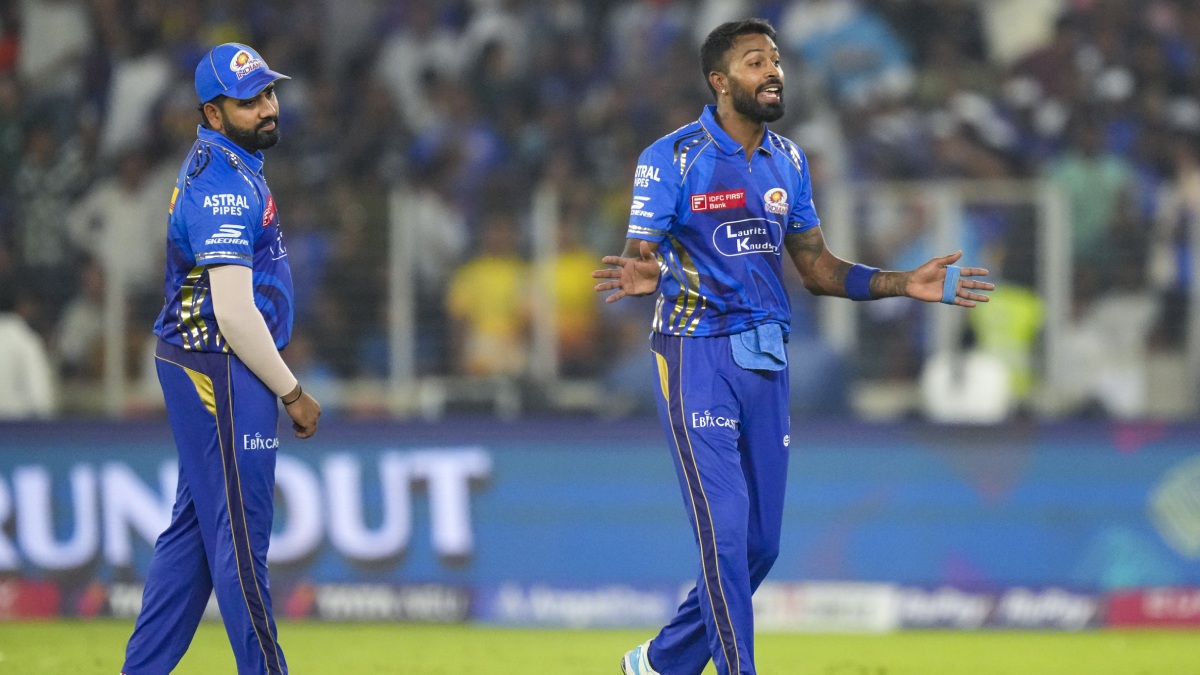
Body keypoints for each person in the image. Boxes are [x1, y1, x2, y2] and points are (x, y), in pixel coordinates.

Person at [593, 19, 992, 675]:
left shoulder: (789, 160)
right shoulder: (672, 157)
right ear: (721, 81)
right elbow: (642, 252)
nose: (773, 71)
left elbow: (817, 269)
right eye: (755, 61)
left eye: (775, 60)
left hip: (764, 356)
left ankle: (661, 663)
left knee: (760, 545)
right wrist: (650, 271)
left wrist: (902, 282)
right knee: (724, 535)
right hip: (695, 353)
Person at [121, 43, 320, 675]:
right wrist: (292, 392)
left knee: (193, 541)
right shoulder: (223, 185)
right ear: (212, 112)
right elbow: (233, 313)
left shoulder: (232, 164)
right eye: (249, 101)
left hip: (209, 362)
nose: (268, 108)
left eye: (269, 93)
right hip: (220, 365)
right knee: (240, 542)